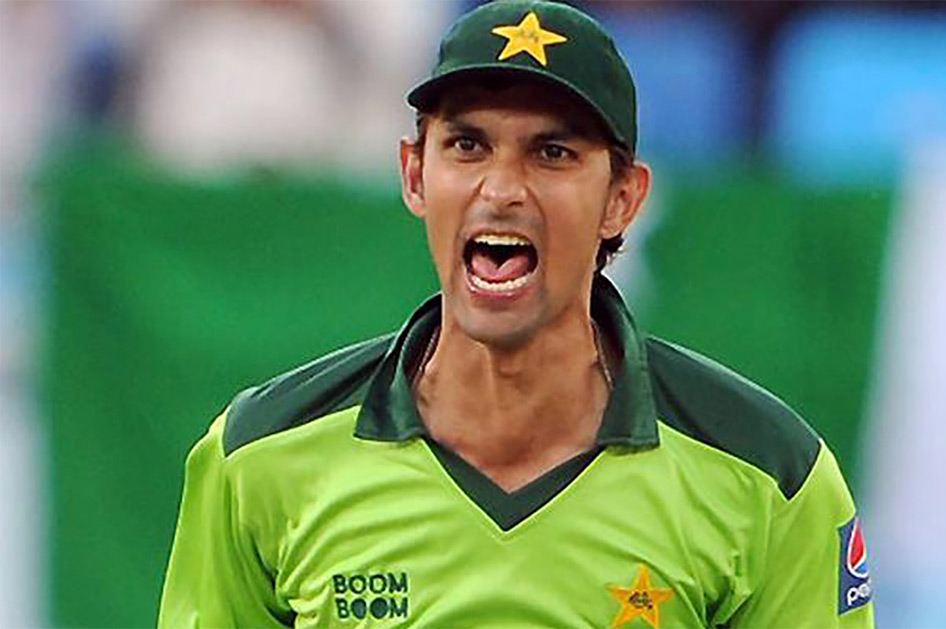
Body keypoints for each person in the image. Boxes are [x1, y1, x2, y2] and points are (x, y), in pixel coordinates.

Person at [158, 1, 875, 627]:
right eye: (468, 146)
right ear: (414, 173)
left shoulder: (771, 476)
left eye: (552, 152)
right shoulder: (257, 457)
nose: (501, 189)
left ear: (623, 198)